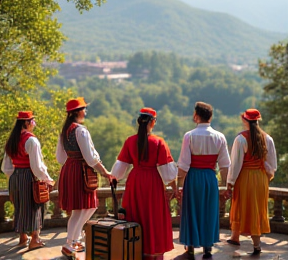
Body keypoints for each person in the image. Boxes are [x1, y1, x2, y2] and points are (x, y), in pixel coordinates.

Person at [111, 107, 178, 259]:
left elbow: (119, 170)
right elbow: (168, 172)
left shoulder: (130, 141)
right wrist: (175, 189)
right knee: (153, 216)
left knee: (136, 215)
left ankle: (136, 249)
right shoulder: (158, 142)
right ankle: (154, 251)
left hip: (135, 181)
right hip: (153, 182)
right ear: (153, 122)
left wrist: (113, 178)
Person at [56, 97, 113, 257]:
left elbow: (60, 158)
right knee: (88, 206)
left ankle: (73, 241)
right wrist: (105, 171)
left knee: (80, 209)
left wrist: (72, 162)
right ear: (77, 112)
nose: (85, 111)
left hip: (69, 169)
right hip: (81, 171)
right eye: (83, 109)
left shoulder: (65, 131)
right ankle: (71, 241)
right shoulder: (80, 131)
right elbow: (90, 158)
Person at [177, 102, 231, 259]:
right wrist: (227, 186)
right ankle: (208, 246)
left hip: (193, 177)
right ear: (211, 117)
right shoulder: (220, 137)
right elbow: (225, 165)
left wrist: (179, 185)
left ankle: (191, 245)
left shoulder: (189, 136)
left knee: (192, 210)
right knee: (209, 210)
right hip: (209, 177)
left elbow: (183, 164)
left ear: (196, 116)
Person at [1, 111, 55, 250]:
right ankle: (35, 239)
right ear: (26, 123)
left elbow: (6, 167)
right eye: (32, 121)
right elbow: (36, 166)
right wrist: (47, 179)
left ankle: (23, 237)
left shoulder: (12, 140)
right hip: (28, 176)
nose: (34, 124)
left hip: (15, 176)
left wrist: (12, 179)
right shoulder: (31, 140)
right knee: (34, 206)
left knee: (20, 206)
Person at [226, 108, 277, 255]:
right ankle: (244, 240)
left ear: (245, 120)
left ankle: (248, 242)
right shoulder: (267, 138)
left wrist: (230, 182)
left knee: (241, 205)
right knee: (258, 208)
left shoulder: (241, 139)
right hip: (261, 177)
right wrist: (266, 176)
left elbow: (235, 164)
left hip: (245, 176)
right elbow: (272, 165)